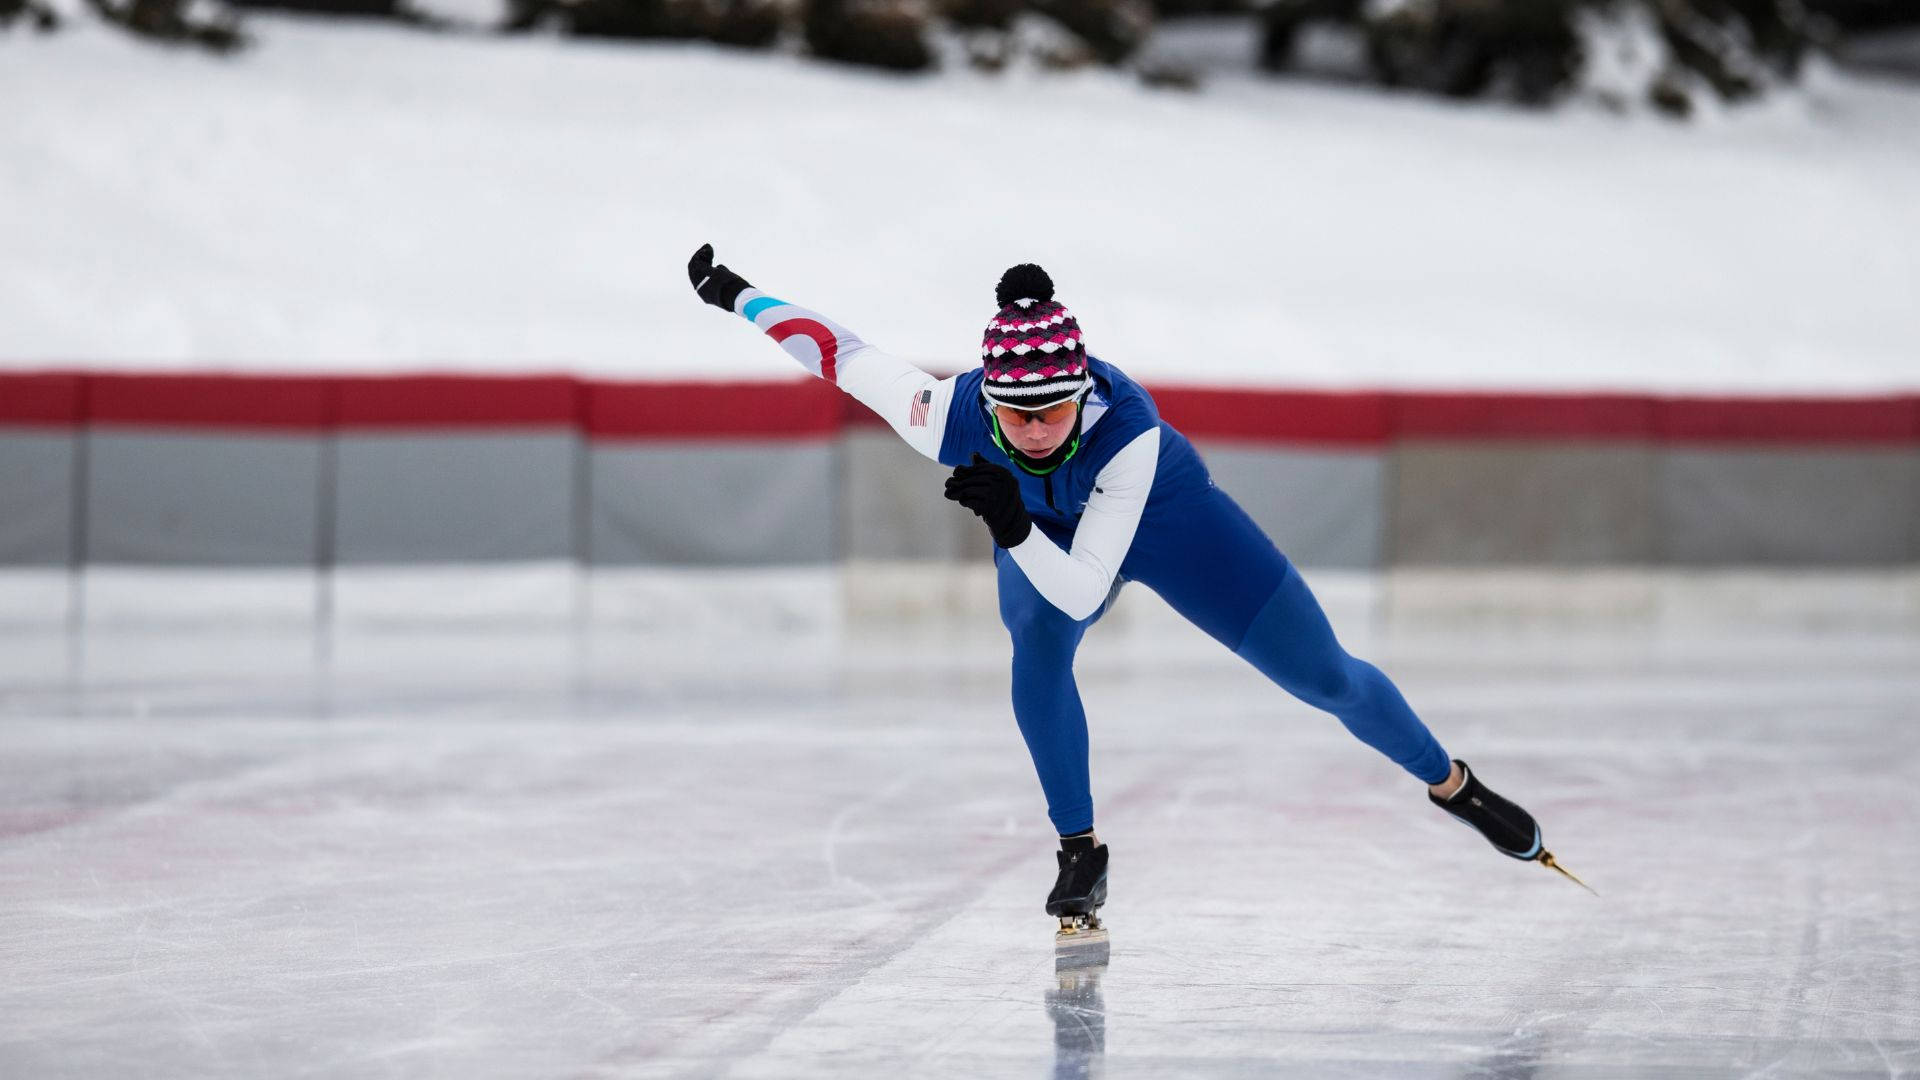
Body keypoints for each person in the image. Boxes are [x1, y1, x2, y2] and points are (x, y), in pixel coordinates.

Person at [686, 244, 1551, 928]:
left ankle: (1452, 784)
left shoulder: (1128, 435)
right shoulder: (944, 414)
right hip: (1047, 536)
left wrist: (1013, 524)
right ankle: (1080, 849)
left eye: (1052, 411)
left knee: (1321, 675)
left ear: (1080, 390)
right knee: (1035, 650)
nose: (1031, 432)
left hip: (1165, 517)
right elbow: (839, 352)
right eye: (1015, 415)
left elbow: (1083, 586)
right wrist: (737, 294)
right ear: (988, 398)